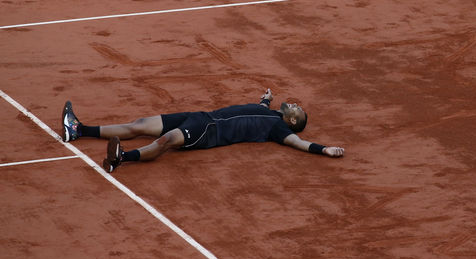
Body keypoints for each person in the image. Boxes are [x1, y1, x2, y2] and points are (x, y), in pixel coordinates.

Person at [61, 89, 345, 173]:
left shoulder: (277, 128)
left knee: (165, 141)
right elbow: (255, 108)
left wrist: (324, 149)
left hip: (208, 131)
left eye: (296, 109)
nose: (294, 104)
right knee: (139, 124)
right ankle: (78, 129)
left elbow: (300, 143)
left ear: (292, 121)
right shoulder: (268, 112)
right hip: (200, 116)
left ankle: (122, 158)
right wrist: (265, 99)